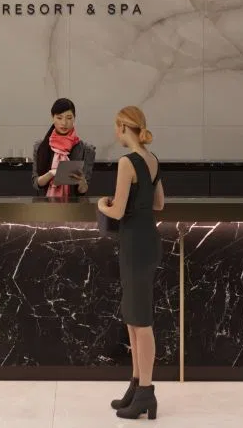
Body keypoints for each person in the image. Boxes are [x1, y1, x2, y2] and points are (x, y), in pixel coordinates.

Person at [97, 106, 165, 420]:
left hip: (134, 243)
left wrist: (102, 204)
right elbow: (159, 204)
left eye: (116, 127)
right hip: (147, 240)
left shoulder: (127, 162)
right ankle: (137, 386)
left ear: (124, 127)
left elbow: (117, 210)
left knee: (141, 320)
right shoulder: (152, 160)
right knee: (134, 317)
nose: (116, 133)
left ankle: (146, 392)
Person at [31, 98, 94, 198]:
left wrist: (82, 181)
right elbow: (36, 183)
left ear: (74, 118)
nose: (64, 123)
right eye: (59, 118)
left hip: (73, 205)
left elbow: (83, 191)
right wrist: (51, 174)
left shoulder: (86, 150)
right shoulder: (40, 147)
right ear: (53, 117)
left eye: (69, 118)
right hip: (45, 204)